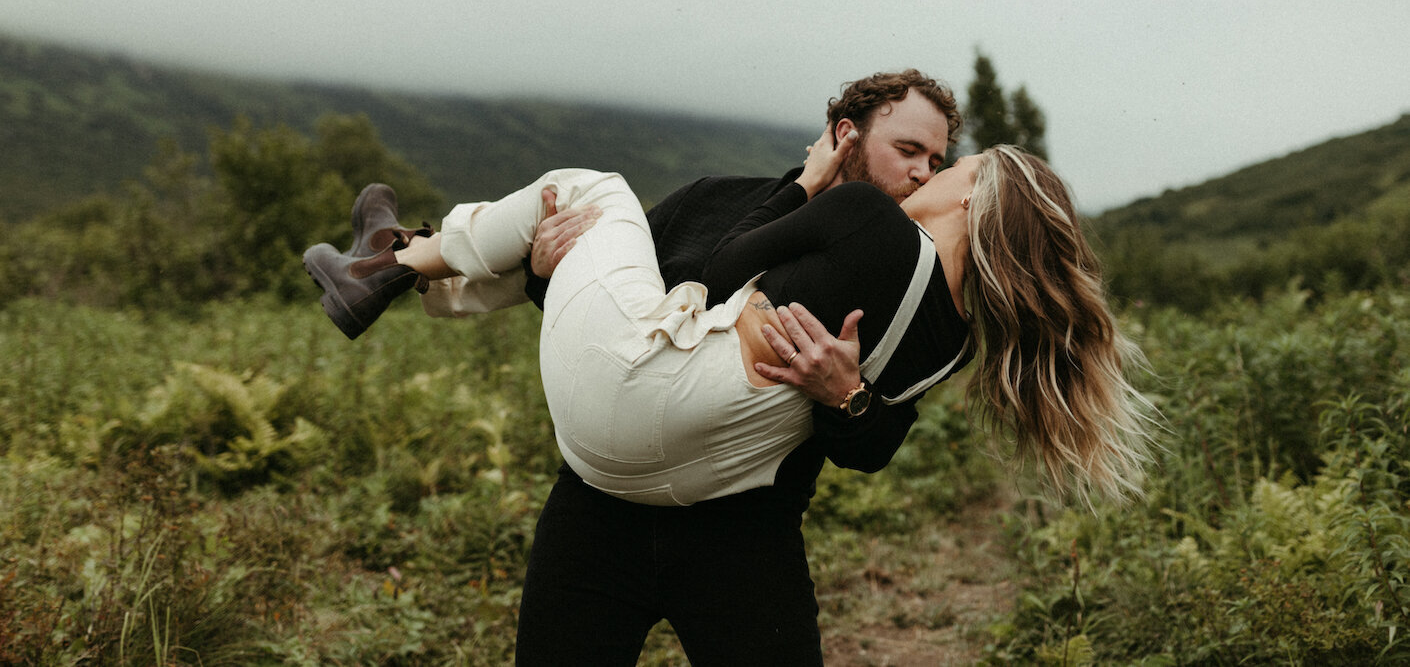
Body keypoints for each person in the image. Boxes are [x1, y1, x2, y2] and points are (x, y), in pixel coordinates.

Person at [302, 74, 1154, 663]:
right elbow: (653, 300)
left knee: (593, 189)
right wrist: (544, 267)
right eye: (911, 151)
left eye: (941, 161)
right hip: (599, 509)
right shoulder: (729, 193)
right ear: (845, 137)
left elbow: (872, 439)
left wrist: (847, 394)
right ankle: (401, 259)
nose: (924, 172)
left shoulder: (876, 239)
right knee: (576, 224)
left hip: (738, 528)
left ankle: (402, 259)